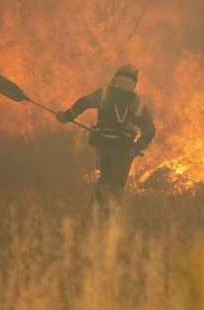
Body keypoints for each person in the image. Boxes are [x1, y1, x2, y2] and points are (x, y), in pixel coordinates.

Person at [57, 64, 156, 208]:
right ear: (134, 83)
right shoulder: (137, 103)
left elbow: (83, 103)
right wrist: (137, 147)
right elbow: (150, 130)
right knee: (117, 185)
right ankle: (111, 222)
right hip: (124, 150)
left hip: (103, 147)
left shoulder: (103, 93)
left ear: (115, 78)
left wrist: (67, 116)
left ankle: (94, 216)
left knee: (104, 180)